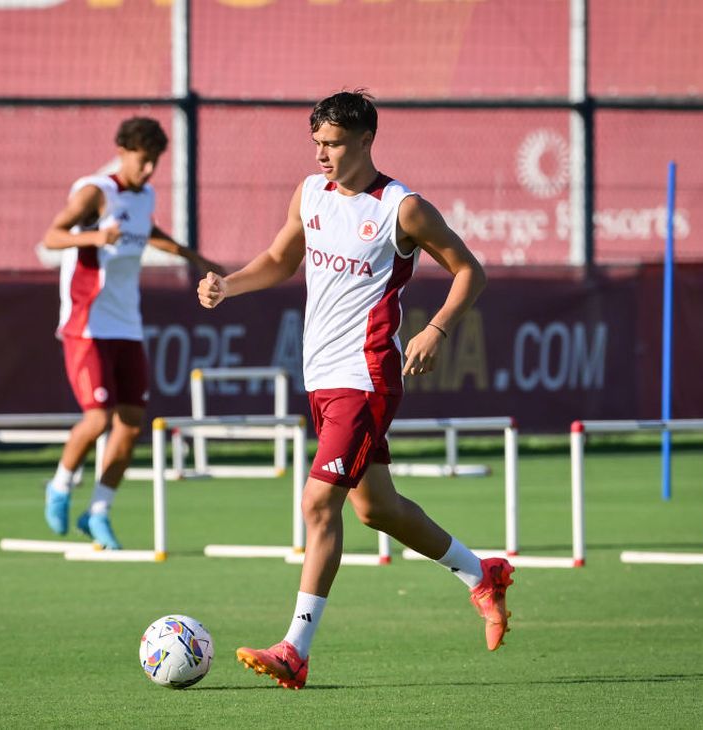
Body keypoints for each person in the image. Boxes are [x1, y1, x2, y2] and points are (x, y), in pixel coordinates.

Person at [197, 91, 512, 689]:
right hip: (320, 377)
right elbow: (280, 258)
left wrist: (437, 329)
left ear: (366, 140)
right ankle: (482, 574)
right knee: (376, 508)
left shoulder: (402, 208)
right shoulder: (309, 193)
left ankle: (295, 650)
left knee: (319, 505)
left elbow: (470, 270)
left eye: (334, 143)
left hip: (366, 378)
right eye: (317, 142)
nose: (323, 154)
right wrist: (227, 286)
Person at [42, 116, 223, 549]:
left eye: (155, 162)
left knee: (129, 425)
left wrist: (192, 257)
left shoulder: (146, 196)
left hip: (126, 325)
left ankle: (97, 512)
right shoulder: (95, 192)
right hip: (87, 323)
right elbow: (52, 237)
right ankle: (60, 486)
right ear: (122, 152)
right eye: (143, 160)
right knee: (98, 419)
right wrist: (95, 238)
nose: (148, 170)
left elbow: (148, 231)